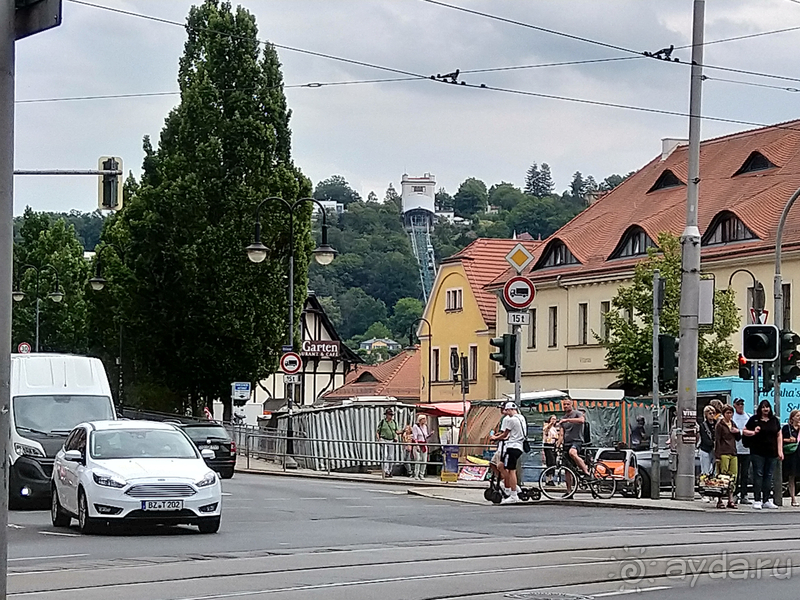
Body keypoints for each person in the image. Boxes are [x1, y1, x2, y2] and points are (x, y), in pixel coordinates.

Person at [743, 399, 783, 510]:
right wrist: (754, 432)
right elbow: (745, 431)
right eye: (763, 407)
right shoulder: (754, 419)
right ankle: (757, 499)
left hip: (772, 452)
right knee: (758, 475)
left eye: (767, 407)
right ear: (760, 409)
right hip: (757, 452)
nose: (766, 409)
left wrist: (780, 451)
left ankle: (767, 499)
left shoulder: (774, 420)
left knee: (769, 476)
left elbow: (779, 435)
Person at [489, 401, 525, 504]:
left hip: (512, 446)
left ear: (510, 409)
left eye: (507, 410)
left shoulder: (511, 420)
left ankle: (513, 493)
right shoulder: (521, 418)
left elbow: (505, 434)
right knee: (501, 466)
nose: (506, 412)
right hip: (519, 446)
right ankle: (513, 488)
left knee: (511, 470)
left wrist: (494, 437)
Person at [714, 404, 740, 509]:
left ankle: (730, 499)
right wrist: (717, 455)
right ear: (724, 414)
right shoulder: (720, 425)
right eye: (727, 413)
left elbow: (738, 438)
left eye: (731, 413)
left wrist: (737, 432)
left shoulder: (733, 424)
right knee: (722, 477)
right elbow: (717, 440)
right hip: (723, 452)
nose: (730, 415)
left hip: (733, 452)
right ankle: (720, 500)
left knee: (732, 476)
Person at [557, 397, 589, 476]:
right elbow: (561, 434)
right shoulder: (562, 418)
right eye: (564, 404)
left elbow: (582, 420)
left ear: (571, 404)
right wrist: (558, 444)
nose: (566, 406)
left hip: (577, 440)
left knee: (572, 453)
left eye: (568, 404)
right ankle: (569, 488)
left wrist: (567, 420)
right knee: (567, 469)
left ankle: (586, 470)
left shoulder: (577, 413)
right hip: (567, 442)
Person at [731, 398, 752, 505]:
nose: (741, 406)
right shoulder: (732, 418)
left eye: (742, 404)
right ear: (734, 405)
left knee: (745, 474)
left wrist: (739, 431)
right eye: (738, 404)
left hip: (746, 450)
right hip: (735, 449)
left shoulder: (748, 417)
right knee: (735, 474)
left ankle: (744, 494)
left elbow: (750, 431)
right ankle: (734, 494)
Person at [782, 409, 800, 507]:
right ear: (792, 418)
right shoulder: (786, 428)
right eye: (797, 416)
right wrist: (788, 440)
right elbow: (780, 439)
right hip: (792, 454)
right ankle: (793, 498)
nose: (799, 418)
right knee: (791, 476)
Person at [376, 407, 399, 478]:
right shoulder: (382, 422)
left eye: (391, 415)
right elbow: (377, 431)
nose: (391, 416)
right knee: (385, 455)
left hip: (391, 439)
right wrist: (379, 439)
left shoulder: (394, 422)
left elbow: (396, 431)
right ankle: (385, 471)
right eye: (389, 415)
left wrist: (400, 433)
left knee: (390, 456)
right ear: (386, 415)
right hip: (383, 439)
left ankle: (389, 471)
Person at [542, 415, 561, 485]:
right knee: (550, 461)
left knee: (553, 462)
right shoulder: (547, 426)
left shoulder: (555, 428)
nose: (554, 420)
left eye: (555, 419)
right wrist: (551, 423)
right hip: (548, 444)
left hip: (553, 445)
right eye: (553, 419)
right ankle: (548, 479)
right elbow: (546, 430)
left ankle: (551, 478)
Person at [412, 414, 431, 480]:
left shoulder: (425, 427)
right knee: (418, 459)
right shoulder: (415, 426)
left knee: (424, 460)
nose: (425, 420)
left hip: (424, 444)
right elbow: (415, 437)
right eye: (424, 419)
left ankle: (421, 474)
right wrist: (416, 445)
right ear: (420, 420)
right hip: (418, 444)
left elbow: (425, 436)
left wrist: (430, 435)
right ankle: (416, 474)